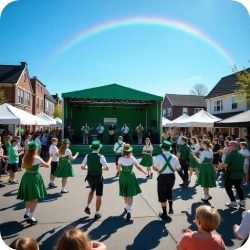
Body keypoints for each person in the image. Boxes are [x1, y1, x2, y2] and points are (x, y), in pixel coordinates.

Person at [17, 141, 52, 225]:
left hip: (26, 176)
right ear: (35, 149)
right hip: (34, 177)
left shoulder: (25, 156)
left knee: (28, 196)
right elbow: (47, 165)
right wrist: (50, 157)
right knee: (35, 198)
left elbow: (22, 167)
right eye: (37, 147)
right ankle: (31, 217)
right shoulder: (36, 158)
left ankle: (27, 212)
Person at [117, 143, 147, 220]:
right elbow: (137, 167)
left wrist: (120, 171)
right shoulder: (132, 158)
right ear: (130, 151)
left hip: (123, 175)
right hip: (131, 175)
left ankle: (126, 206)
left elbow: (118, 169)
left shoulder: (120, 159)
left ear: (123, 151)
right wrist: (144, 172)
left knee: (125, 193)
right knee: (130, 193)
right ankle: (129, 210)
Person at [153, 141, 181, 219]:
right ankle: (171, 208)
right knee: (170, 191)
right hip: (172, 177)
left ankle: (164, 213)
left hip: (162, 177)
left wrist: (159, 170)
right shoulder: (174, 157)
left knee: (162, 194)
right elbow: (179, 168)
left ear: (162, 148)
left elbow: (154, 168)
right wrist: (172, 168)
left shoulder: (159, 156)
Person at [81, 140, 109, 220]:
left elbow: (82, 167)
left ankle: (87, 206)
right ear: (98, 148)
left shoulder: (87, 156)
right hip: (98, 177)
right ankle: (96, 214)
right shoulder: (101, 157)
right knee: (99, 196)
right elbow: (106, 168)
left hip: (89, 176)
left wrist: (88, 168)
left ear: (92, 148)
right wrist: (100, 167)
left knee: (92, 190)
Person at [219, 141, 245, 208]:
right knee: (238, 186)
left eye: (229, 145)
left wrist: (217, 166)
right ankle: (242, 201)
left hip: (232, 174)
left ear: (233, 146)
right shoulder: (241, 153)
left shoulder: (231, 154)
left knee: (227, 186)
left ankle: (233, 201)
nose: (228, 146)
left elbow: (224, 164)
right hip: (240, 174)